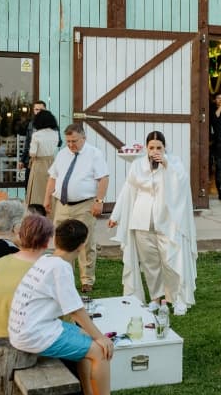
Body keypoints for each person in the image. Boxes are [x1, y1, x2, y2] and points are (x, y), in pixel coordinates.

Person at [8, 216, 143, 395]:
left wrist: (92, 334)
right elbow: (75, 310)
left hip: (29, 328)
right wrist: (101, 337)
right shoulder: (60, 268)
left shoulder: (47, 260)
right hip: (34, 334)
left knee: (86, 338)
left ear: (56, 240)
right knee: (100, 351)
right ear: (82, 245)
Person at [108, 131, 198, 314]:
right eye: (151, 147)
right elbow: (127, 191)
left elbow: (181, 184)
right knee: (150, 264)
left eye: (159, 147)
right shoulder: (137, 165)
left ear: (165, 148)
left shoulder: (174, 163)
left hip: (167, 223)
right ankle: (156, 298)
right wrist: (115, 216)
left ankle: (177, 298)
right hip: (141, 222)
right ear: (146, 148)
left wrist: (166, 165)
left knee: (171, 261)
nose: (155, 151)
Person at [0, 216, 84, 339]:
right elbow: (68, 314)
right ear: (48, 241)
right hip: (27, 337)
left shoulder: (2, 261)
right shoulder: (50, 269)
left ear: (19, 236)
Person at [44, 123, 109, 294]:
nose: (71, 145)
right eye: (68, 141)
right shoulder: (62, 154)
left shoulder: (94, 154)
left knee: (85, 242)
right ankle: (64, 276)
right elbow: (53, 178)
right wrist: (47, 199)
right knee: (61, 241)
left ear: (83, 138)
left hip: (85, 204)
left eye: (74, 141)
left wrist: (99, 201)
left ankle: (87, 280)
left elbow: (103, 178)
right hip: (62, 204)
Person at [26, 110, 60, 214]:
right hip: (52, 162)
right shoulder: (55, 133)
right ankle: (51, 215)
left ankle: (37, 216)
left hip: (39, 163)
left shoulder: (37, 135)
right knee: (51, 190)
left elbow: (32, 153)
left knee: (37, 192)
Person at [18, 99, 61, 177]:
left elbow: (59, 142)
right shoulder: (31, 124)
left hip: (46, 161)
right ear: (33, 110)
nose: (38, 112)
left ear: (45, 110)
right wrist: (22, 160)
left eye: (41, 110)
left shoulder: (52, 125)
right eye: (36, 109)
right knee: (28, 182)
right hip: (30, 160)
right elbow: (27, 143)